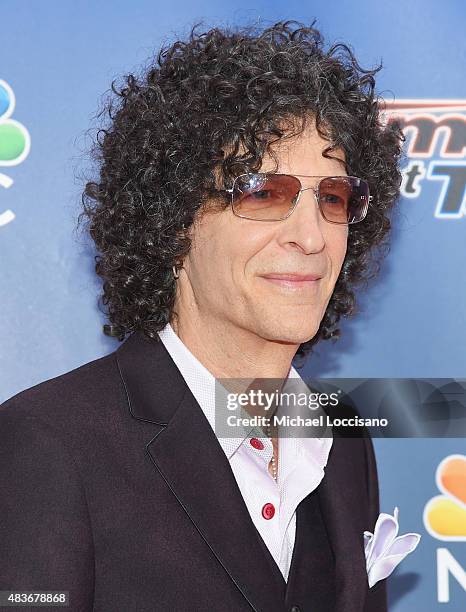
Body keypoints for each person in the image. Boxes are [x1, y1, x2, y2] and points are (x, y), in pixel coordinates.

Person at [0, 19, 404, 612]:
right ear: (172, 222)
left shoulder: (340, 439)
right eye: (265, 193)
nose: (312, 235)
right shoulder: (49, 443)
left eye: (333, 197)